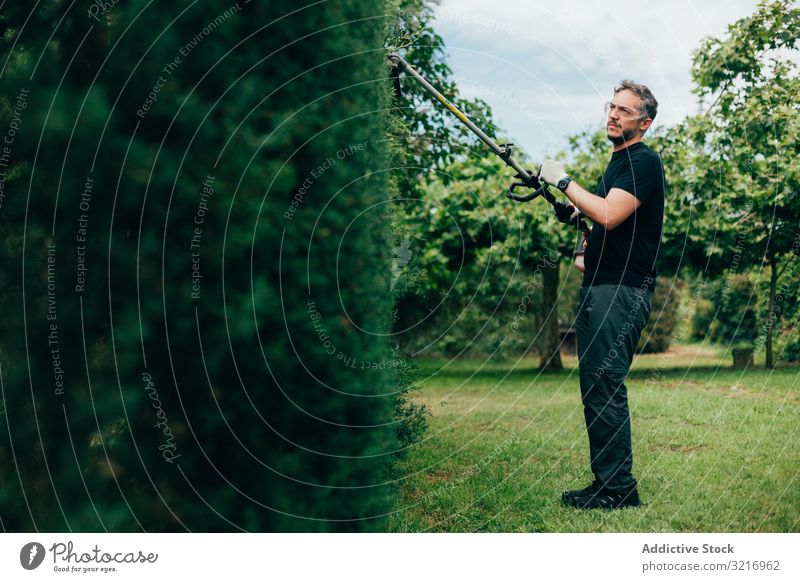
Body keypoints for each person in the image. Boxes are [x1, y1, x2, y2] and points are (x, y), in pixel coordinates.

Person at [538, 80, 665, 509]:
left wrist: (564, 180)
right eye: (611, 106)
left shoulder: (643, 162)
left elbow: (610, 215)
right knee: (596, 386)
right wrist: (575, 216)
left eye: (624, 111)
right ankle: (607, 482)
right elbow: (601, 224)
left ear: (643, 123)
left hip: (622, 290)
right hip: (601, 285)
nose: (613, 114)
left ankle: (618, 490)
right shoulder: (617, 165)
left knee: (605, 384)